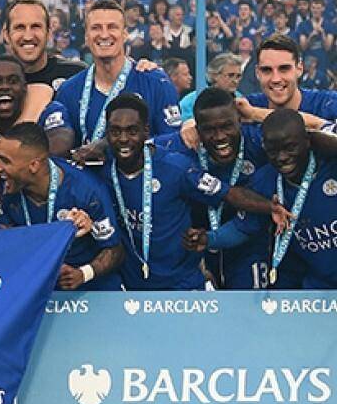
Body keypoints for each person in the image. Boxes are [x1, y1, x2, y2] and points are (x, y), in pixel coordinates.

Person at [95, 94, 289, 290]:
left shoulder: (257, 140)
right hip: (198, 248)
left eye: (227, 126)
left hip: (246, 247)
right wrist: (98, 146)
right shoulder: (179, 147)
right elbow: (133, 143)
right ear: (197, 130)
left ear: (240, 122)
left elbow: (298, 130)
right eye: (209, 129)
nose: (220, 136)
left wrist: (254, 114)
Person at [190, 109, 337, 289]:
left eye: (290, 147)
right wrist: (209, 239)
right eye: (273, 151)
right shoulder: (265, 181)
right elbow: (243, 227)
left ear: (308, 142)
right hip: (316, 286)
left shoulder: (331, 166)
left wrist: (321, 137)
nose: (282, 157)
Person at [0, 123, 124, 291]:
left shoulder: (86, 192)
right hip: (37, 289)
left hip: (89, 291)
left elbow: (114, 250)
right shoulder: (6, 188)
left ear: (34, 165)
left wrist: (83, 273)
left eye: (5, 161)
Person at [55, 0, 182, 147]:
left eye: (112, 27)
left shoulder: (157, 83)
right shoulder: (69, 91)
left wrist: (111, 150)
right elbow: (59, 153)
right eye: (96, 28)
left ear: (125, 34)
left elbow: (174, 145)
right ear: (86, 37)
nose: (104, 35)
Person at [0, 55, 74, 155]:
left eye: (13, 81)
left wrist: (15, 151)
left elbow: (62, 139)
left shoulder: (48, 110)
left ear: (25, 87)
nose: (4, 87)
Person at [177, 53, 243, 121]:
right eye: (231, 75)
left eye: (238, 76)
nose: (235, 81)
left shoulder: (240, 99)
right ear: (215, 75)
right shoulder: (190, 101)